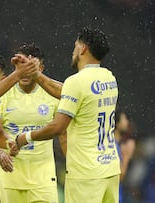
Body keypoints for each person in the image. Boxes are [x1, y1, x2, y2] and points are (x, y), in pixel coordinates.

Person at [16, 27, 120, 202]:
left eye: (75, 47)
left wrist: (24, 138)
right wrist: (37, 75)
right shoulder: (109, 78)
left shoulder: (76, 82)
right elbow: (73, 94)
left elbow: (57, 127)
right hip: (110, 169)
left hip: (86, 174)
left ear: (83, 49)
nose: (73, 52)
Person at [0, 43, 64, 203]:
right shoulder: (3, 93)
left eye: (31, 66)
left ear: (42, 68)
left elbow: (63, 130)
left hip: (43, 179)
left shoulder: (52, 95)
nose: (25, 71)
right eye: (22, 66)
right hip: (9, 178)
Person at [114, 109, 136, 203]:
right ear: (117, 124)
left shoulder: (118, 144)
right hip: (113, 196)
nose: (127, 122)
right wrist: (126, 156)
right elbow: (119, 178)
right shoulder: (114, 146)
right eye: (124, 119)